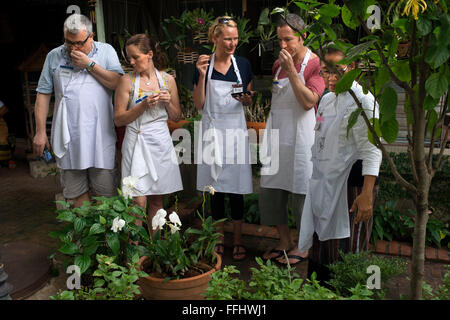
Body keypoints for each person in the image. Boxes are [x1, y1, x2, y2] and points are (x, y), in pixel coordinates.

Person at [298, 43, 382, 283]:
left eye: (338, 70)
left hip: (352, 187)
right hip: (325, 183)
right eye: (325, 71)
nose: (331, 77)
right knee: (321, 247)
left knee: (347, 251)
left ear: (352, 67)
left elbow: (372, 150)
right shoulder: (326, 100)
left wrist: (366, 194)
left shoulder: (363, 100)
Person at [33, 13, 124, 208]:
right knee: (76, 195)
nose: (73, 48)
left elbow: (118, 83)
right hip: (69, 136)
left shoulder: (106, 51)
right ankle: (87, 238)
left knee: (106, 195)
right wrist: (40, 132)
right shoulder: (54, 56)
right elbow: (42, 95)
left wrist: (89, 64)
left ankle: (106, 239)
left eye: (78, 43)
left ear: (91, 36)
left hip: (100, 136)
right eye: (68, 42)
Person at [259, 14, 325, 265]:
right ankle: (284, 241)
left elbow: (309, 101)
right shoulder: (277, 66)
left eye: (289, 40)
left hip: (302, 139)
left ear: (303, 36)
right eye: (280, 41)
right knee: (273, 191)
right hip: (278, 136)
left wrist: (292, 71)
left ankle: (304, 245)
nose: (283, 46)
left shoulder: (314, 64)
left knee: (302, 192)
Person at [193, 16, 254, 261]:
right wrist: (199, 74)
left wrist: (248, 99)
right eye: (227, 38)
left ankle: (237, 241)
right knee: (214, 190)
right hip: (212, 134)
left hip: (235, 135)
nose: (232, 43)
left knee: (236, 190)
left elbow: (249, 96)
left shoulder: (243, 64)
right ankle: (218, 239)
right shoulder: (203, 64)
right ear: (215, 38)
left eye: (235, 38)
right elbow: (199, 105)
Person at [114, 34, 183, 231]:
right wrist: (142, 106)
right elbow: (118, 119)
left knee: (157, 201)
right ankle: (135, 255)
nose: (132, 62)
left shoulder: (167, 80)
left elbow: (177, 116)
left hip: (160, 143)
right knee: (138, 203)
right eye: (130, 58)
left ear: (150, 54)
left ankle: (154, 251)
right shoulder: (126, 81)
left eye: (136, 57)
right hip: (136, 140)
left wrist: (168, 101)